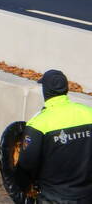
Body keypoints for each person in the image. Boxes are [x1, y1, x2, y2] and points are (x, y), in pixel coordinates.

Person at [17, 69, 92, 203]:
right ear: (66, 89)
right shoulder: (88, 113)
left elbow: (26, 163)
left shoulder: (38, 123)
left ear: (45, 91)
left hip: (53, 197)